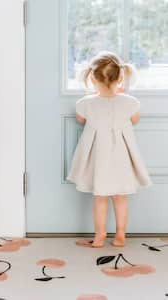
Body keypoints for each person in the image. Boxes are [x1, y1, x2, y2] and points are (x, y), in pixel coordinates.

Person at [66, 51, 153, 248]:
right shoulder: (130, 102)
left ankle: (99, 235)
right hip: (121, 157)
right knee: (120, 197)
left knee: (100, 197)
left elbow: (81, 119)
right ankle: (120, 235)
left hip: (99, 158)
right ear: (121, 78)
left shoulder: (86, 103)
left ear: (92, 78)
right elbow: (135, 120)